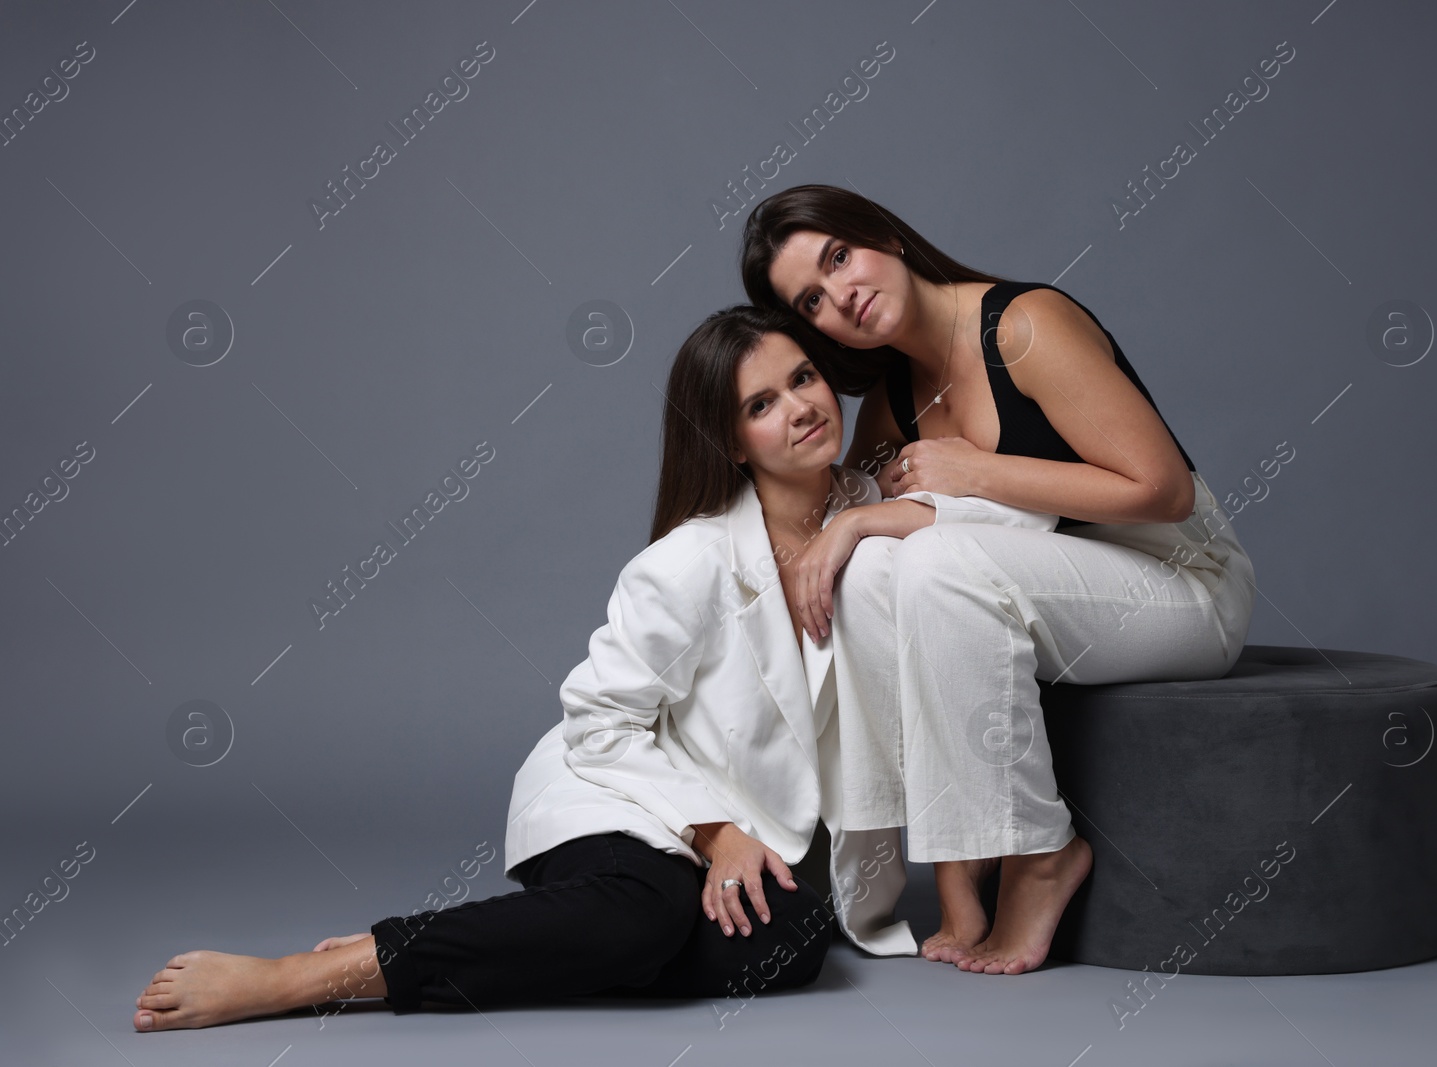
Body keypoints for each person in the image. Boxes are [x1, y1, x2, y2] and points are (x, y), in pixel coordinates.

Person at [132, 305, 1008, 1031]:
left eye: (805, 380)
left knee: (792, 942)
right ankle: (308, 975)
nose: (800, 407)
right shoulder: (691, 561)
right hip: (616, 787)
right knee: (645, 916)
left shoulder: (877, 507)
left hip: (750, 828)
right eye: (760, 404)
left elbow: (994, 545)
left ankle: (508, 943)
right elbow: (600, 723)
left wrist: (859, 525)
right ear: (733, 442)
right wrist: (712, 833)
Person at [739, 183, 1258, 976]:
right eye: (812, 299)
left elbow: (1164, 490)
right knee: (877, 559)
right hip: (1065, 595)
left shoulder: (1022, 327)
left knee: (940, 562)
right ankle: (955, 865)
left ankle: (1039, 852)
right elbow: (865, 546)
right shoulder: (891, 405)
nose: (841, 295)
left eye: (840, 256)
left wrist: (979, 471)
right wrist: (839, 525)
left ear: (885, 236)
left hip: (1183, 580)